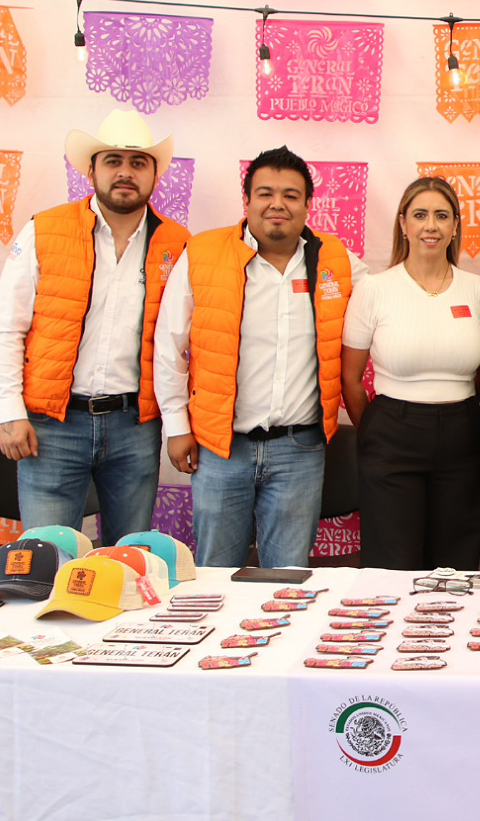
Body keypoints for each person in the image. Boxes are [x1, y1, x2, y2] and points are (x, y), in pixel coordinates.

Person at [154, 146, 367, 568]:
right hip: (220, 448)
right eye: (266, 193)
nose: (277, 204)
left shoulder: (335, 259)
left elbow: (388, 300)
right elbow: (169, 345)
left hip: (299, 450)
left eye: (291, 195)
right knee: (216, 576)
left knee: (286, 579)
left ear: (307, 204)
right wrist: (176, 425)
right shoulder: (203, 253)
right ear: (247, 200)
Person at [0, 109, 188, 544]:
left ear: (154, 175)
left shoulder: (178, 244)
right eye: (113, 161)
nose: (125, 172)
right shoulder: (45, 230)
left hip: (135, 427)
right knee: (48, 556)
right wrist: (9, 412)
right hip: (52, 427)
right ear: (91, 170)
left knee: (129, 559)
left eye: (138, 162)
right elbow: (4, 327)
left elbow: (181, 342)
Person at [340, 177, 480, 570]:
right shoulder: (374, 289)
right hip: (391, 436)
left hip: (462, 436)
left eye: (442, 216)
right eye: (420, 215)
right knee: (394, 564)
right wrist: (375, 430)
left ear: (455, 226)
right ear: (403, 223)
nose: (431, 225)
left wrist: (455, 410)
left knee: (455, 565)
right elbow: (351, 379)